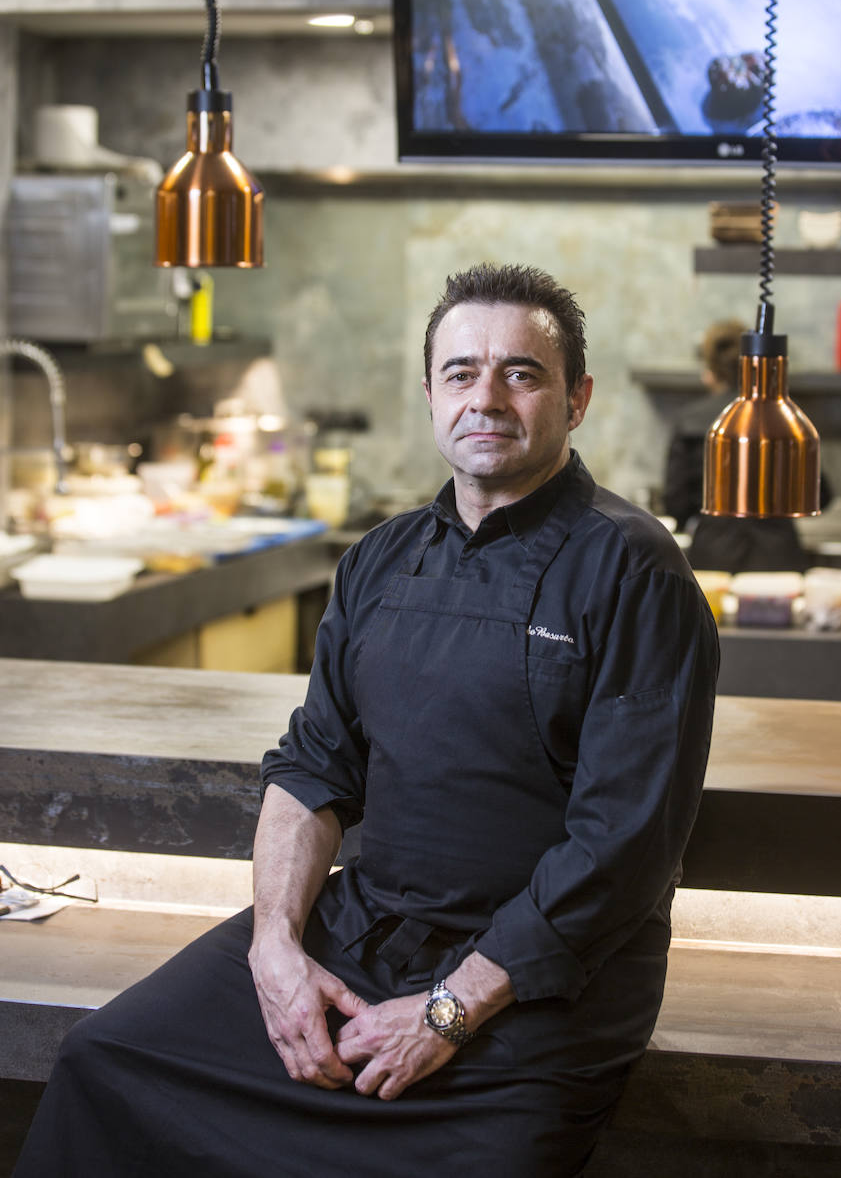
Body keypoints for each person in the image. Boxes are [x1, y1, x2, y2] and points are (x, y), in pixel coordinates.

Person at [14, 265, 719, 1178]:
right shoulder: (380, 561)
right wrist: (275, 949)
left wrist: (450, 1009)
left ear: (575, 399)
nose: (487, 398)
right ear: (430, 394)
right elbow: (311, 769)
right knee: (106, 1060)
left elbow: (623, 848)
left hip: (539, 991)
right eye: (461, 373)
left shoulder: (637, 575)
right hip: (356, 937)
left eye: (522, 373)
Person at [664, 318, 823, 573]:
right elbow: (820, 493)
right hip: (778, 558)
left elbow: (676, 502)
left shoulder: (690, 422)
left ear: (711, 371)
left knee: (712, 615)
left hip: (713, 555)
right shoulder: (783, 420)